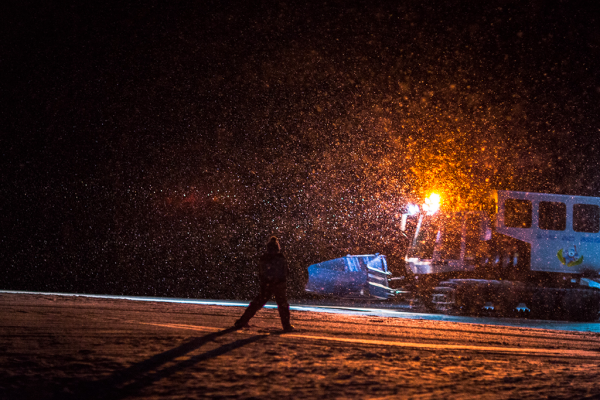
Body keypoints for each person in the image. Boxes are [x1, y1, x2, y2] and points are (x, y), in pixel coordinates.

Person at [234, 236, 294, 331]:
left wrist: (265, 282)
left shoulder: (264, 258)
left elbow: (261, 273)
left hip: (267, 285)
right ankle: (286, 326)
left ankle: (242, 321)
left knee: (257, 303)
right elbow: (286, 272)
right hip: (278, 285)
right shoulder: (280, 258)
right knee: (282, 305)